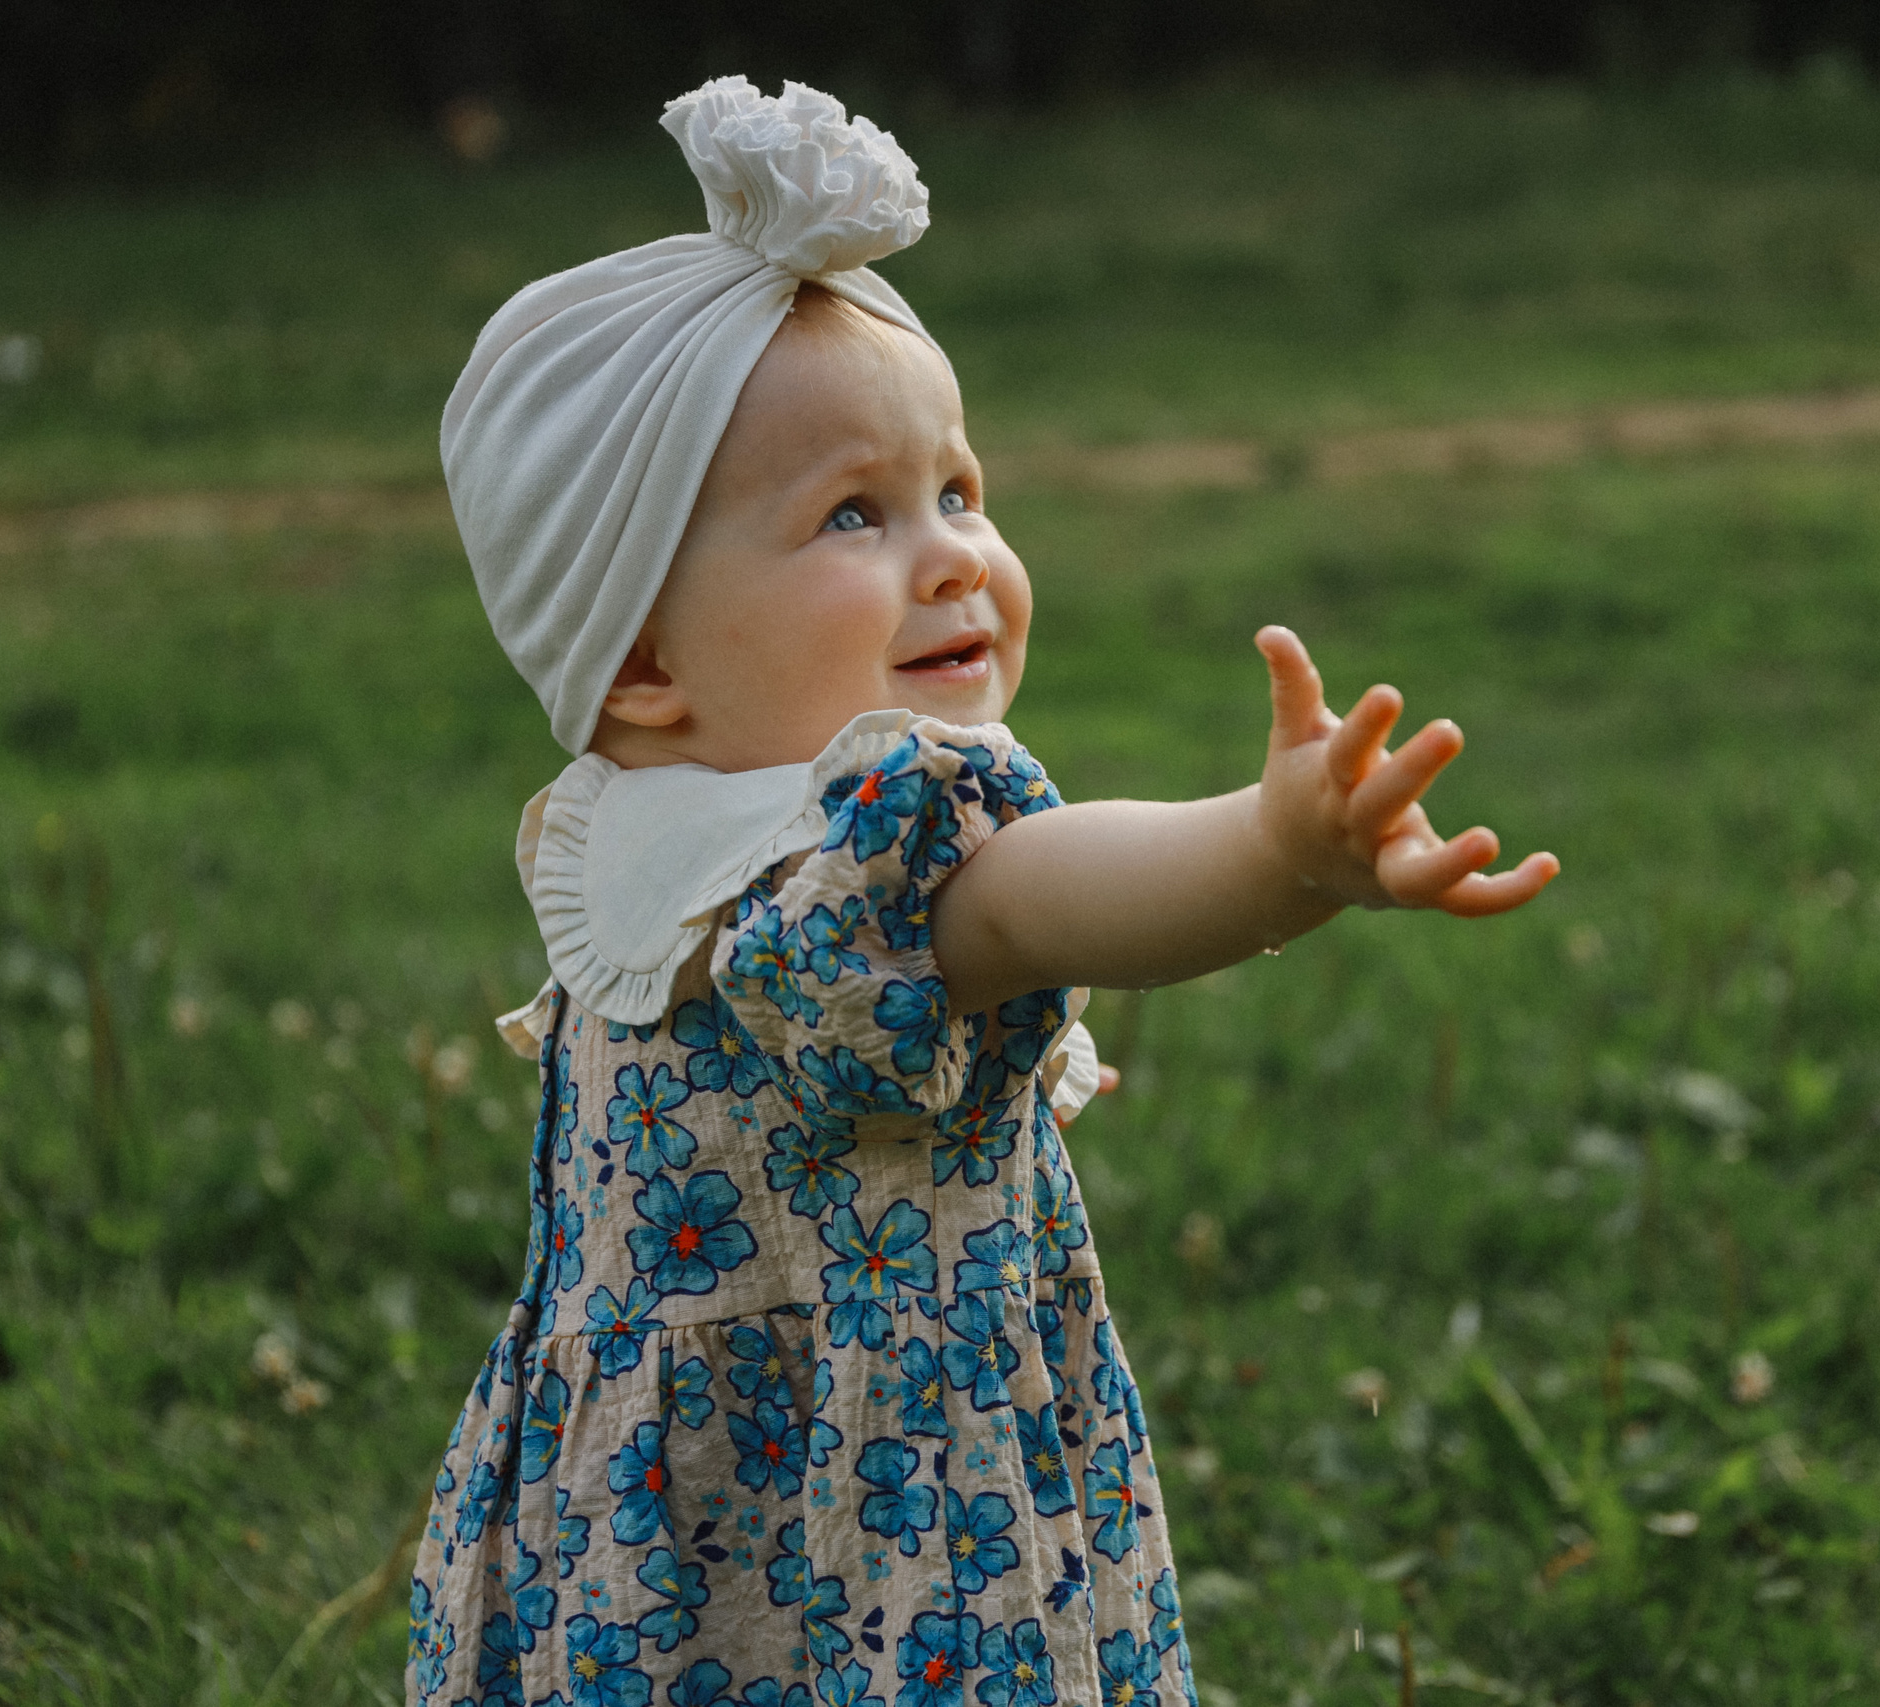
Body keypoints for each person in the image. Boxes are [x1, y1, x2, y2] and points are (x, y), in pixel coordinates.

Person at [411, 77, 1556, 1707]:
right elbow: (1029, 904)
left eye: (960, 489)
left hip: (744, 1531)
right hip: (778, 1539)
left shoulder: (871, 840)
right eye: (853, 517)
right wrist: (1282, 851)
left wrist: (1264, 853)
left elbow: (1060, 890)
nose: (953, 554)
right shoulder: (718, 848)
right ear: (646, 662)